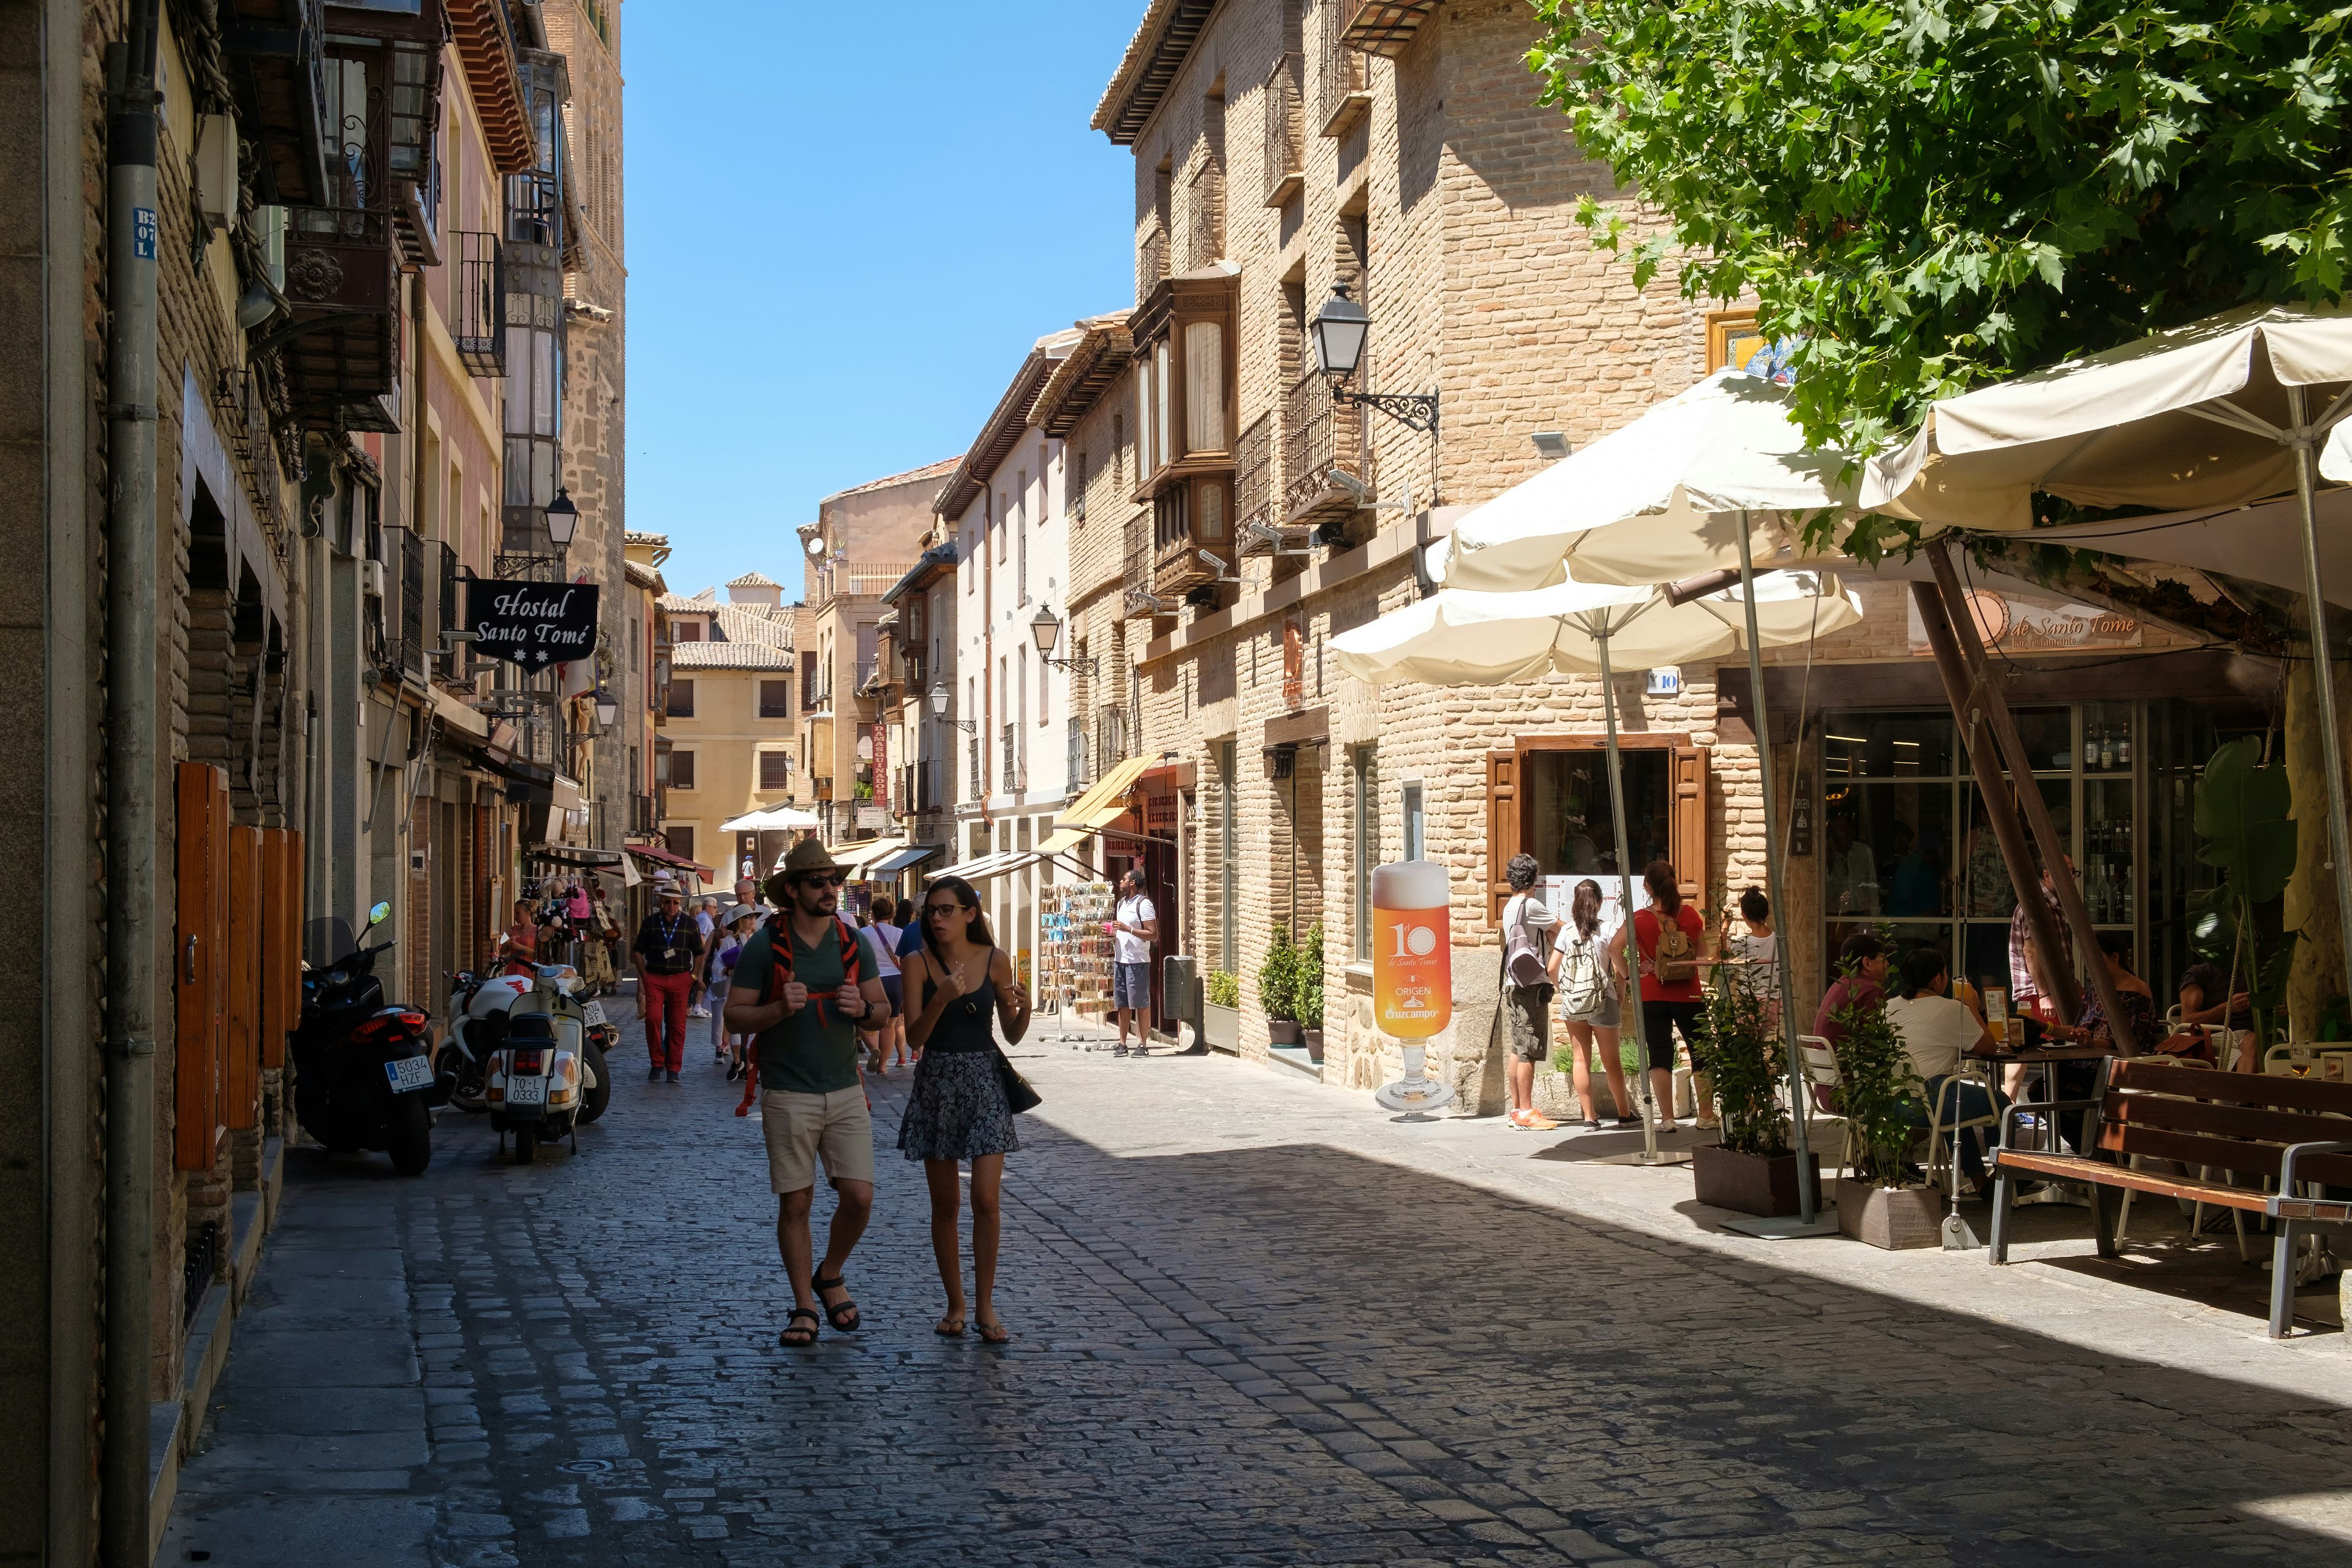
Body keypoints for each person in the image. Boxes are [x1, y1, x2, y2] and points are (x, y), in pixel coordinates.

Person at [723, 838, 892, 1349]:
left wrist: (861, 1011)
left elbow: (883, 1009)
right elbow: (734, 1015)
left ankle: (831, 1272)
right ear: (792, 890)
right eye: (819, 881)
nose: (830, 889)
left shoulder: (852, 941)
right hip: (787, 1090)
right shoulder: (765, 947)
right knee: (796, 1203)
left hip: (844, 1088)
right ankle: (803, 1305)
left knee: (859, 1197)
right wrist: (778, 1009)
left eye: (834, 880)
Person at [899, 874, 1032, 1344]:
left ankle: (985, 1305)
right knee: (946, 1204)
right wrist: (941, 998)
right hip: (938, 1081)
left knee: (986, 1200)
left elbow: (1012, 1034)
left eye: (946, 910)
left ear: (969, 915)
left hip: (984, 1084)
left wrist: (1027, 1007)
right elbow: (914, 1038)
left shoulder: (995, 961)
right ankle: (955, 1304)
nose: (936, 918)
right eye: (931, 911)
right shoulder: (916, 963)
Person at [1882, 946, 2009, 1196]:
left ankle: (1980, 1180)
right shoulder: (1951, 1009)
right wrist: (1971, 1006)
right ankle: (2003, 1173)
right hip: (1932, 1100)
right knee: (2001, 1103)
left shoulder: (1889, 1007)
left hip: (1896, 1101)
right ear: (1938, 979)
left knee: (1956, 1103)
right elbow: (1989, 1047)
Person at [1609, 860, 1708, 1128]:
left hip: (1653, 992)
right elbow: (1701, 956)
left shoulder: (1639, 919)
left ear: (1648, 887)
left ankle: (1667, 1119)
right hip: (1689, 993)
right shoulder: (1690, 916)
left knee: (1660, 1054)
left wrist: (1631, 976)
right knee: (1702, 1052)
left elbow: (1613, 949)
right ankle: (1707, 1116)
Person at [1558, 878, 1634, 1132]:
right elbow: (1619, 968)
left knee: (1580, 1060)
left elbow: (1551, 968)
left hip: (1573, 1003)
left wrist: (1565, 991)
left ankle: (1590, 1118)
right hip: (1603, 1000)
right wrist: (1620, 995)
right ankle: (1624, 1115)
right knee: (1612, 1062)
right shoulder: (1609, 930)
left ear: (1575, 904)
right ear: (1600, 902)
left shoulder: (1566, 932)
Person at [1498, 853, 1562, 1131]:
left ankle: (1516, 1108)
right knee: (1529, 1049)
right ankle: (1526, 1110)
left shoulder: (1509, 906)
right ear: (1534, 879)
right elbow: (1563, 929)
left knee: (1517, 1046)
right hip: (1532, 984)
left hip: (1514, 983)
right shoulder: (1532, 905)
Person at [631, 883, 699, 1082]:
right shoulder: (650, 922)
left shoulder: (690, 924)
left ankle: (673, 1068)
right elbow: (637, 951)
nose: (671, 906)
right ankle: (657, 1062)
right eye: (668, 902)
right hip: (655, 978)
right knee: (652, 1019)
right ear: (661, 901)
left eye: (676, 902)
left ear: (680, 903)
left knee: (677, 1025)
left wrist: (693, 977)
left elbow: (700, 953)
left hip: (681, 979)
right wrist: (644, 976)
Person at [1812, 930, 1890, 1054]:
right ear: (1867, 963)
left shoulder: (1840, 985)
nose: (1887, 964)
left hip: (1825, 1068)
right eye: (1883, 959)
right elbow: (1877, 1041)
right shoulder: (1871, 989)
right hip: (1849, 1070)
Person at [1109, 869, 1158, 1057]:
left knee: (1140, 1003)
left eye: (1123, 879)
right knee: (1122, 1003)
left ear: (1132, 883)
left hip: (1137, 961)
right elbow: (1121, 930)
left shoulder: (1144, 904)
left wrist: (1127, 929)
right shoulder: (1121, 903)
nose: (1120, 881)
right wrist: (1112, 932)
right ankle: (1122, 1043)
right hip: (1120, 959)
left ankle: (1142, 1044)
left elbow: (1153, 935)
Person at [708, 907, 759, 1078]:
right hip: (735, 987)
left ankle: (751, 1066)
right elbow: (717, 964)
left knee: (754, 1027)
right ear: (740, 921)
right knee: (735, 1024)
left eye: (754, 917)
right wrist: (727, 971)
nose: (752, 920)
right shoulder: (730, 941)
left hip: (756, 987)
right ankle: (738, 1062)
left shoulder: (760, 940)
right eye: (748, 917)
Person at [865, 895, 908, 1072]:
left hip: (874, 980)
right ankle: (883, 1065)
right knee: (890, 1025)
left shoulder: (863, 933)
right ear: (891, 915)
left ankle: (873, 1049)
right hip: (896, 981)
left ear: (873, 914)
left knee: (869, 1020)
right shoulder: (899, 933)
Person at [687, 897, 720, 1018]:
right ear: (708, 907)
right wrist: (705, 951)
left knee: (703, 979)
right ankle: (696, 1005)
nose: (716, 910)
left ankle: (699, 1005)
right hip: (702, 955)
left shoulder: (704, 918)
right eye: (715, 908)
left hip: (703, 954)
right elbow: (701, 936)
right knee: (701, 979)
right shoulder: (705, 919)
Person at [498, 898, 538, 969]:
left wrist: (522, 948)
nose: (515, 916)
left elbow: (540, 955)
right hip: (513, 969)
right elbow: (503, 951)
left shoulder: (536, 931)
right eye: (514, 913)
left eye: (518, 913)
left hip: (528, 969)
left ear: (528, 913)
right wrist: (506, 938)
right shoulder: (514, 929)